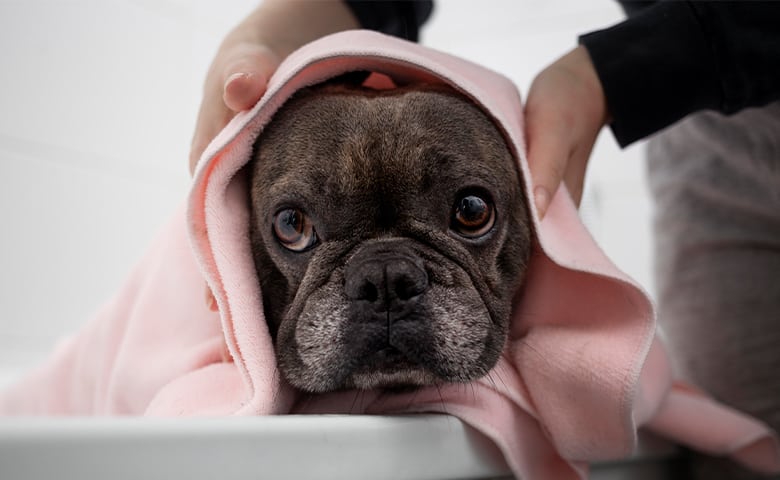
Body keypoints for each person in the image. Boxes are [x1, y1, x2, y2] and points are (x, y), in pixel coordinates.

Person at [189, 2, 780, 478]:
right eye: (297, 227)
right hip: (713, 122)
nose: (389, 286)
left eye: (469, 214)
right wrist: (262, 31)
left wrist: (612, 74)